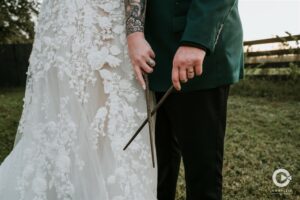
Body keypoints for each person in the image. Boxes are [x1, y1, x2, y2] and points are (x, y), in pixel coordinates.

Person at [0, 0, 157, 199]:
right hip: (77, 21)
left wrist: (134, 32)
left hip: (96, 21)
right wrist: (135, 32)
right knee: (67, 113)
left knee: (105, 114)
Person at [126, 0, 244, 199]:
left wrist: (197, 39)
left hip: (192, 49)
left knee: (202, 178)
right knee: (158, 177)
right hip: (149, 57)